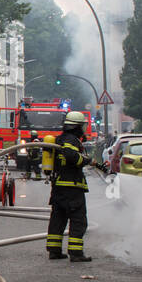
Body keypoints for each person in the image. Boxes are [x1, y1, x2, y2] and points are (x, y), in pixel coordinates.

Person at [46, 111, 92, 263]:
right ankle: (76, 253)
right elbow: (71, 156)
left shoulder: (59, 139)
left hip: (59, 187)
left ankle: (54, 251)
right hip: (72, 188)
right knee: (79, 220)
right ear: (77, 126)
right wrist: (84, 160)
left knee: (58, 219)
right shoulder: (71, 140)